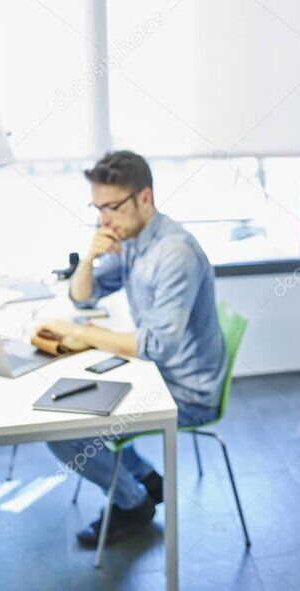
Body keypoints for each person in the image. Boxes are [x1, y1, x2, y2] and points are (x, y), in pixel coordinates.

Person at [39, 150, 228, 547]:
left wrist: (87, 336)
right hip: (157, 373)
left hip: (186, 391)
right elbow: (83, 298)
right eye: (97, 208)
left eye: (111, 207)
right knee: (69, 400)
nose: (104, 219)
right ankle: (142, 477)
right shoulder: (131, 238)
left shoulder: (174, 253)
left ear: (145, 198)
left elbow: (157, 345)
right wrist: (89, 256)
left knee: (62, 431)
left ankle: (132, 504)